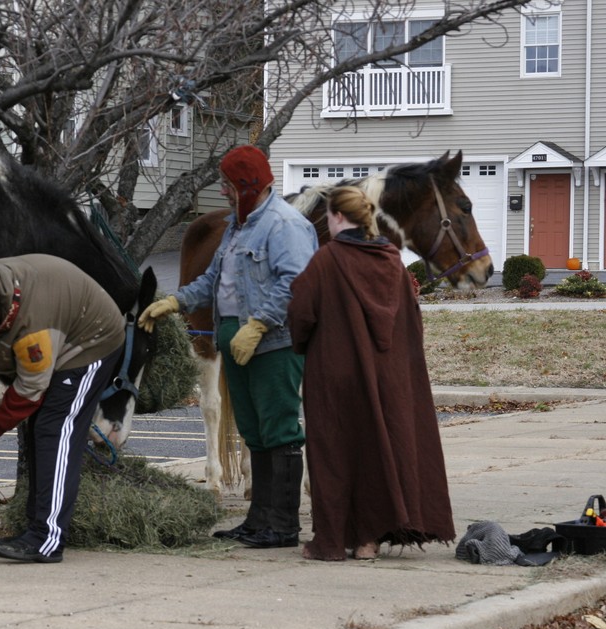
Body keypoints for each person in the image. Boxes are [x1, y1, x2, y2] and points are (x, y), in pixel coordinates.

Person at [138, 145, 318, 548]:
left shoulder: (284, 225)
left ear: (246, 185)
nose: (223, 192)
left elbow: (296, 281)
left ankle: (284, 525)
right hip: (233, 339)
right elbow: (214, 280)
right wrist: (175, 301)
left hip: (272, 342)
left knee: (279, 429)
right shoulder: (238, 227)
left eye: (227, 185)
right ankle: (259, 520)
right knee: (253, 429)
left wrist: (258, 324)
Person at [287, 185, 456, 561]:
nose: (327, 222)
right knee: (379, 451)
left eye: (329, 216)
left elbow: (301, 312)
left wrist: (303, 344)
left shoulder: (327, 259)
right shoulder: (393, 260)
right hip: (389, 375)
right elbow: (412, 320)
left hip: (335, 374)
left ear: (339, 217)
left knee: (335, 455)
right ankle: (368, 541)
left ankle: (332, 540)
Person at [0, 254, 125, 564]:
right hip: (61, 329)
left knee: (55, 430)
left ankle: (47, 540)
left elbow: (28, 391)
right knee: (40, 428)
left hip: (92, 342)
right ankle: (35, 528)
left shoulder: (32, 329)